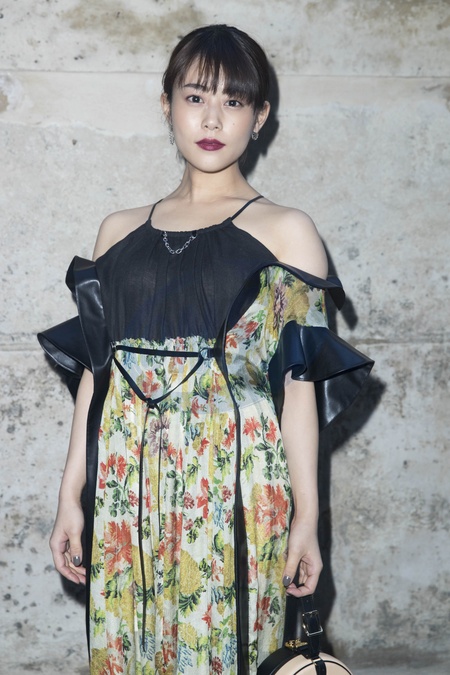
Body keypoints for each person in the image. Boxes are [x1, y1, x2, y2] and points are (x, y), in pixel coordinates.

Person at [38, 24, 373, 675]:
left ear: (260, 116)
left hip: (235, 486)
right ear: (167, 104)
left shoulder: (288, 231)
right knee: (127, 650)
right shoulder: (117, 232)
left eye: (234, 101)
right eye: (195, 97)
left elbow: (299, 389)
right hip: (124, 488)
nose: (213, 118)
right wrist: (69, 496)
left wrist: (307, 517)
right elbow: (97, 378)